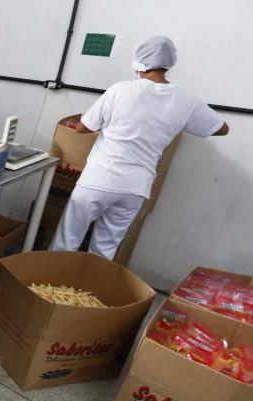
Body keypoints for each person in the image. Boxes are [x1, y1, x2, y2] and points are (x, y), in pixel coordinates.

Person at [50, 36, 229, 259]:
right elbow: (222, 129)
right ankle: (92, 280)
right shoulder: (187, 101)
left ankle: (51, 279)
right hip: (135, 187)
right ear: (169, 64)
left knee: (67, 241)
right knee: (105, 249)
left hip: (100, 178)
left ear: (138, 63)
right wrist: (177, 122)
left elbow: (82, 128)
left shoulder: (121, 90)